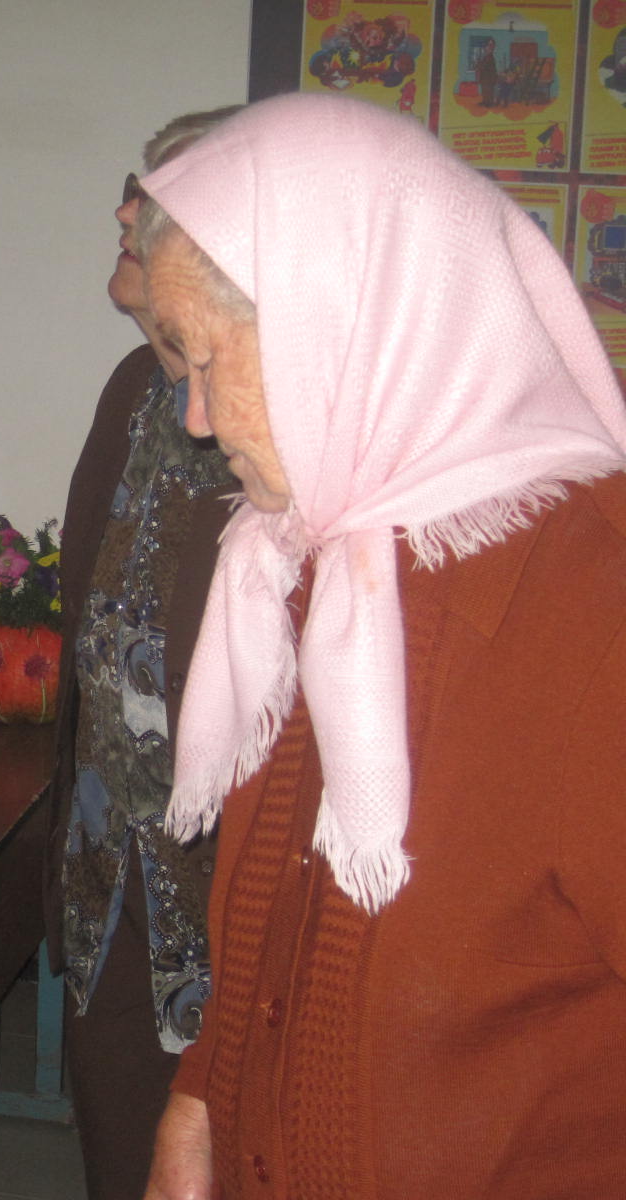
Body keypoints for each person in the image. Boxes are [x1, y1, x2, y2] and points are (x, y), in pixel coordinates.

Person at [133, 93, 626, 1199]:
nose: (195, 420)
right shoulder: (305, 558)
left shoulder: (597, 608)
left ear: (340, 328)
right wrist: (199, 1103)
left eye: (208, 362)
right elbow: (274, 922)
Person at [44, 105, 239, 1200]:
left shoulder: (277, 431)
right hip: (109, 886)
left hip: (222, 909)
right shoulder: (131, 393)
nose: (125, 211)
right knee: (120, 1152)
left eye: (156, 194)